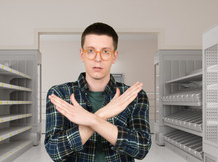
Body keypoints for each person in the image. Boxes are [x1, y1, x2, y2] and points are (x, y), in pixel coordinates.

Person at [45, 22, 151, 162]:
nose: (98, 58)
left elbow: (141, 147)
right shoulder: (60, 94)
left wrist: (91, 119)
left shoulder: (132, 96)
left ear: (114, 57)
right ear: (82, 55)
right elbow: (54, 150)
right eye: (90, 51)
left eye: (106, 51)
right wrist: (102, 115)